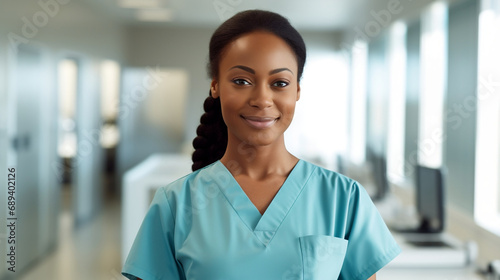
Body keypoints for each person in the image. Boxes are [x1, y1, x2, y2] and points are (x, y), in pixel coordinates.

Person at [122, 9, 401, 280]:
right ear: (216, 86)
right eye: (241, 81)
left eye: (279, 82)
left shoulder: (345, 199)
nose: (262, 99)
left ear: (297, 91)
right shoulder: (175, 204)